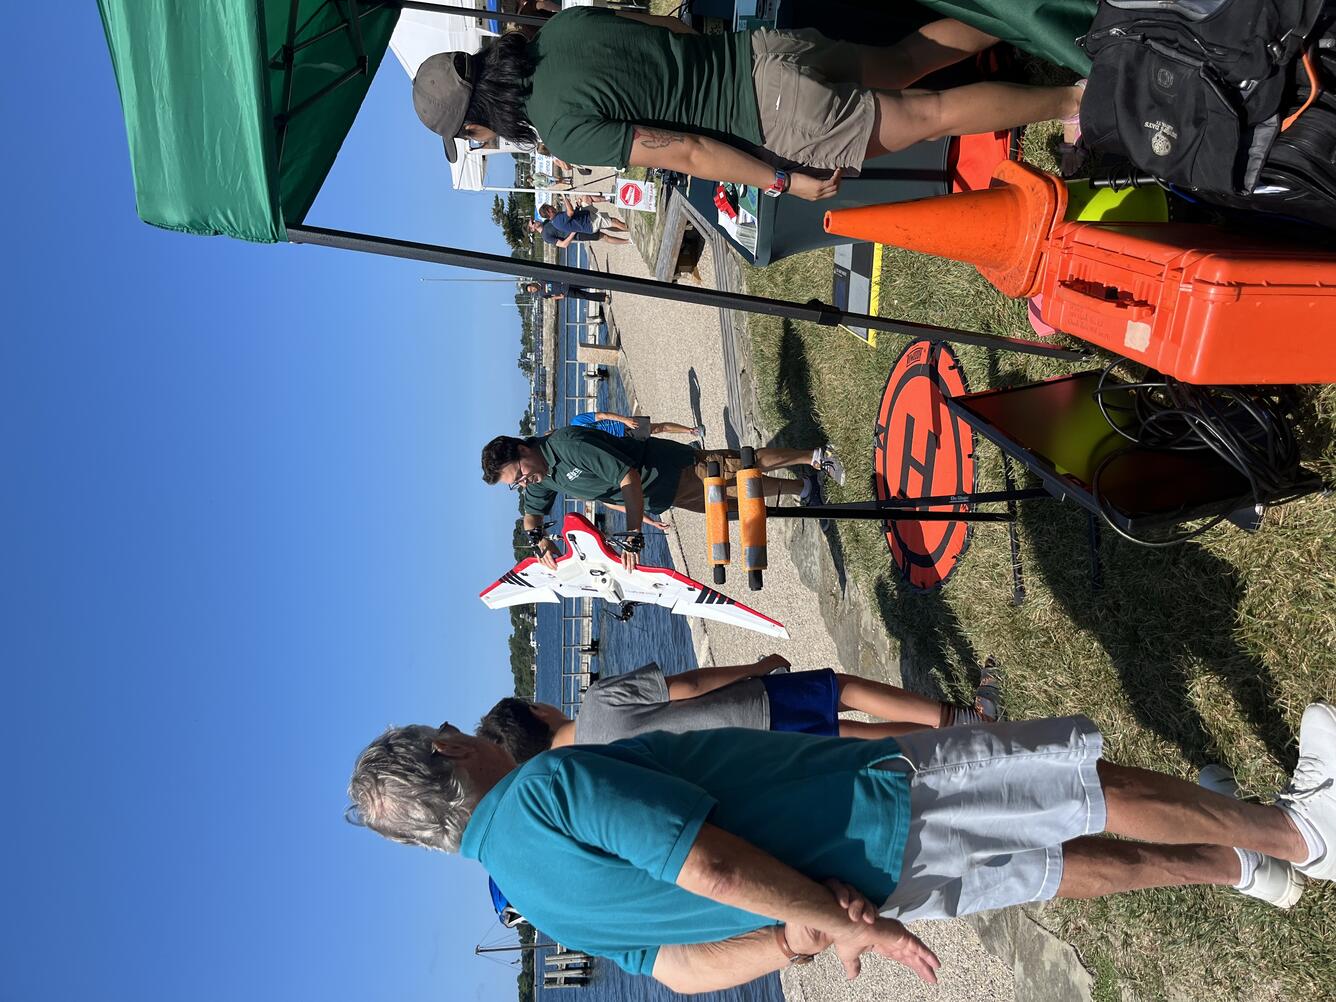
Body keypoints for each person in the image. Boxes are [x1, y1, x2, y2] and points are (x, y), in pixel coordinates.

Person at [348, 702, 1336, 991]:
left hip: (873, 881)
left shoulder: (535, 903)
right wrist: (834, 920)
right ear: (445, 752)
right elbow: (710, 865)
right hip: (871, 813)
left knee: (1053, 864)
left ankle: (1242, 865)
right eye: (453, 729)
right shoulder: (543, 788)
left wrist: (800, 942)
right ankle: (1298, 829)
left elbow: (681, 969)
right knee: (1087, 792)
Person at [409, 9, 1085, 201]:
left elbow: (688, 150)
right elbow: (673, 29)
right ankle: (1039, 17)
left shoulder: (561, 131)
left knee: (931, 116)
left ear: (479, 120)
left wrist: (785, 181)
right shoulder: (564, 27)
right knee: (910, 58)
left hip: (772, 115)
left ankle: (1072, 100)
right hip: (764, 50)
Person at [476, 654, 1005, 761]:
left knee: (845, 739)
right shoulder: (596, 702)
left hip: (750, 754)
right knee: (839, 691)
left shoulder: (593, 769)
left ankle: (958, 745)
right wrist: (756, 667)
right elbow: (691, 683)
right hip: (750, 706)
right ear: (538, 712)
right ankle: (967, 720)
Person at [479, 427, 844, 570]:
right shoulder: (543, 477)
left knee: (741, 465)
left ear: (523, 448)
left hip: (673, 469)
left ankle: (815, 456)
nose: (525, 483)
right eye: (517, 483)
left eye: (520, 474)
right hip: (665, 496)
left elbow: (627, 477)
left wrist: (634, 531)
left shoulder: (567, 448)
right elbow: (532, 514)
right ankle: (803, 489)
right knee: (735, 499)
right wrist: (538, 541)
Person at [529, 196, 630, 249]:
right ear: (533, 229)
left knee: (607, 223)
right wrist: (573, 232)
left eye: (533, 220)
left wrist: (577, 207)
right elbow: (563, 244)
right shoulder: (546, 236)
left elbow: (569, 218)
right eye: (533, 223)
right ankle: (629, 238)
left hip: (581, 220)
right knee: (604, 236)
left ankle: (610, 199)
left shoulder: (548, 221)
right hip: (580, 233)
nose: (535, 220)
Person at [569, 410, 702, 441]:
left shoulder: (577, 421)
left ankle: (691, 430)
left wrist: (625, 420)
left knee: (657, 428)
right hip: (620, 441)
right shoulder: (575, 441)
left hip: (622, 427)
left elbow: (603, 415)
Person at [522, 280, 606, 305]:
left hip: (568, 283)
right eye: (531, 291)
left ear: (532, 284)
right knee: (585, 296)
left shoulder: (541, 280)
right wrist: (560, 297)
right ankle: (603, 297)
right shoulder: (542, 294)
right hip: (566, 292)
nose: (533, 290)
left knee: (587, 284)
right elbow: (552, 297)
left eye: (531, 288)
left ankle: (604, 284)